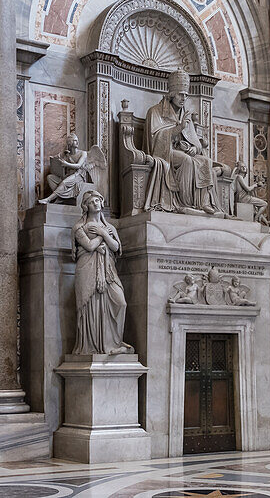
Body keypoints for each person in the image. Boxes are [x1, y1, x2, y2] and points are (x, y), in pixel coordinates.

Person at [144, 69, 222, 215]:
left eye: (186, 95)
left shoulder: (185, 115)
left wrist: (194, 147)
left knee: (205, 161)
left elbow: (197, 144)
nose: (183, 98)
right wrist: (178, 129)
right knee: (187, 160)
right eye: (181, 94)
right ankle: (185, 203)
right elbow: (154, 139)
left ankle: (203, 203)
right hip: (165, 153)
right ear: (172, 94)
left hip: (182, 152)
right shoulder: (155, 112)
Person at [71, 190, 133, 355]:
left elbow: (115, 247)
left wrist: (103, 233)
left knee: (121, 302)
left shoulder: (110, 227)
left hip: (108, 271)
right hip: (87, 270)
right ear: (86, 206)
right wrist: (101, 239)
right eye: (92, 202)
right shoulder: (79, 227)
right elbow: (90, 246)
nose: (95, 203)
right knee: (91, 307)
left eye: (98, 200)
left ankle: (114, 343)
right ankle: (91, 347)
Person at [41, 133, 88, 204]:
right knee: (50, 177)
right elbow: (57, 158)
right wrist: (56, 159)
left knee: (64, 182)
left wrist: (66, 164)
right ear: (70, 143)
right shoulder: (67, 154)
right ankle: (62, 198)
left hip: (78, 176)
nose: (77, 142)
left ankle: (48, 199)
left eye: (77, 140)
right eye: (75, 140)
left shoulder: (83, 153)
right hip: (68, 176)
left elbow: (78, 166)